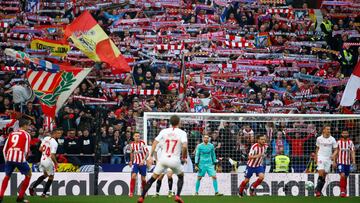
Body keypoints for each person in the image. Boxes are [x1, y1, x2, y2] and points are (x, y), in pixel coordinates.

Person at [138, 115, 187, 203]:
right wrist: (184, 157)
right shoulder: (182, 133)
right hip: (174, 160)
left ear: (170, 122)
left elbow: (155, 142)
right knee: (181, 177)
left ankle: (142, 197)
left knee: (153, 178)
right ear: (179, 122)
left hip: (163, 159)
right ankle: (178, 196)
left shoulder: (164, 131)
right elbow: (184, 146)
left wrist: (150, 156)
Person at [0, 118, 32, 203]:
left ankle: (1, 195)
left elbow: (4, 149)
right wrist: (23, 159)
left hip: (9, 157)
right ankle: (20, 197)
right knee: (28, 175)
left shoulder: (12, 134)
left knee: (7, 176)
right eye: (28, 125)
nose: (28, 127)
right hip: (20, 158)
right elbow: (26, 150)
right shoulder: (26, 134)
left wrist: (6, 160)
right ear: (24, 125)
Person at [29, 128, 63, 198]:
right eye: (59, 133)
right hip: (49, 161)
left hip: (42, 160)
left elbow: (40, 149)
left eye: (60, 133)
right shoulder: (55, 143)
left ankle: (32, 187)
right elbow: (52, 156)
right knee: (51, 177)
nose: (60, 135)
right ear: (54, 133)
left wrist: (45, 153)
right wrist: (56, 163)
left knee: (45, 175)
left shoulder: (46, 138)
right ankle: (43, 194)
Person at [314, 125, 337, 197]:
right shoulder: (319, 138)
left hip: (328, 159)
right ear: (323, 130)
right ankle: (318, 191)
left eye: (329, 129)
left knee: (324, 175)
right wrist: (316, 157)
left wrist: (334, 159)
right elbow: (317, 148)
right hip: (320, 157)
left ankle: (318, 190)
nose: (329, 130)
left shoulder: (332, 139)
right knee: (321, 172)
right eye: (327, 129)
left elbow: (336, 149)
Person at [333, 130, 356, 197]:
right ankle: (342, 191)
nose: (345, 134)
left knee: (345, 177)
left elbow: (352, 152)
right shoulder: (338, 142)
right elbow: (336, 152)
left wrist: (354, 161)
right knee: (342, 175)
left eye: (346, 133)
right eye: (344, 133)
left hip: (348, 163)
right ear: (341, 134)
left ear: (348, 134)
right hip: (340, 162)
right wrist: (334, 161)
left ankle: (344, 191)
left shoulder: (350, 142)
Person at [129, 132, 149, 197]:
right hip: (136, 163)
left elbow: (147, 153)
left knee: (143, 179)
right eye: (136, 136)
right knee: (133, 176)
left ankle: (144, 192)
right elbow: (131, 153)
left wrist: (143, 160)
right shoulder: (132, 144)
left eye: (138, 136)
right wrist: (131, 161)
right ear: (133, 137)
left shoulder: (142, 143)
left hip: (143, 163)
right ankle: (131, 192)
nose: (137, 137)